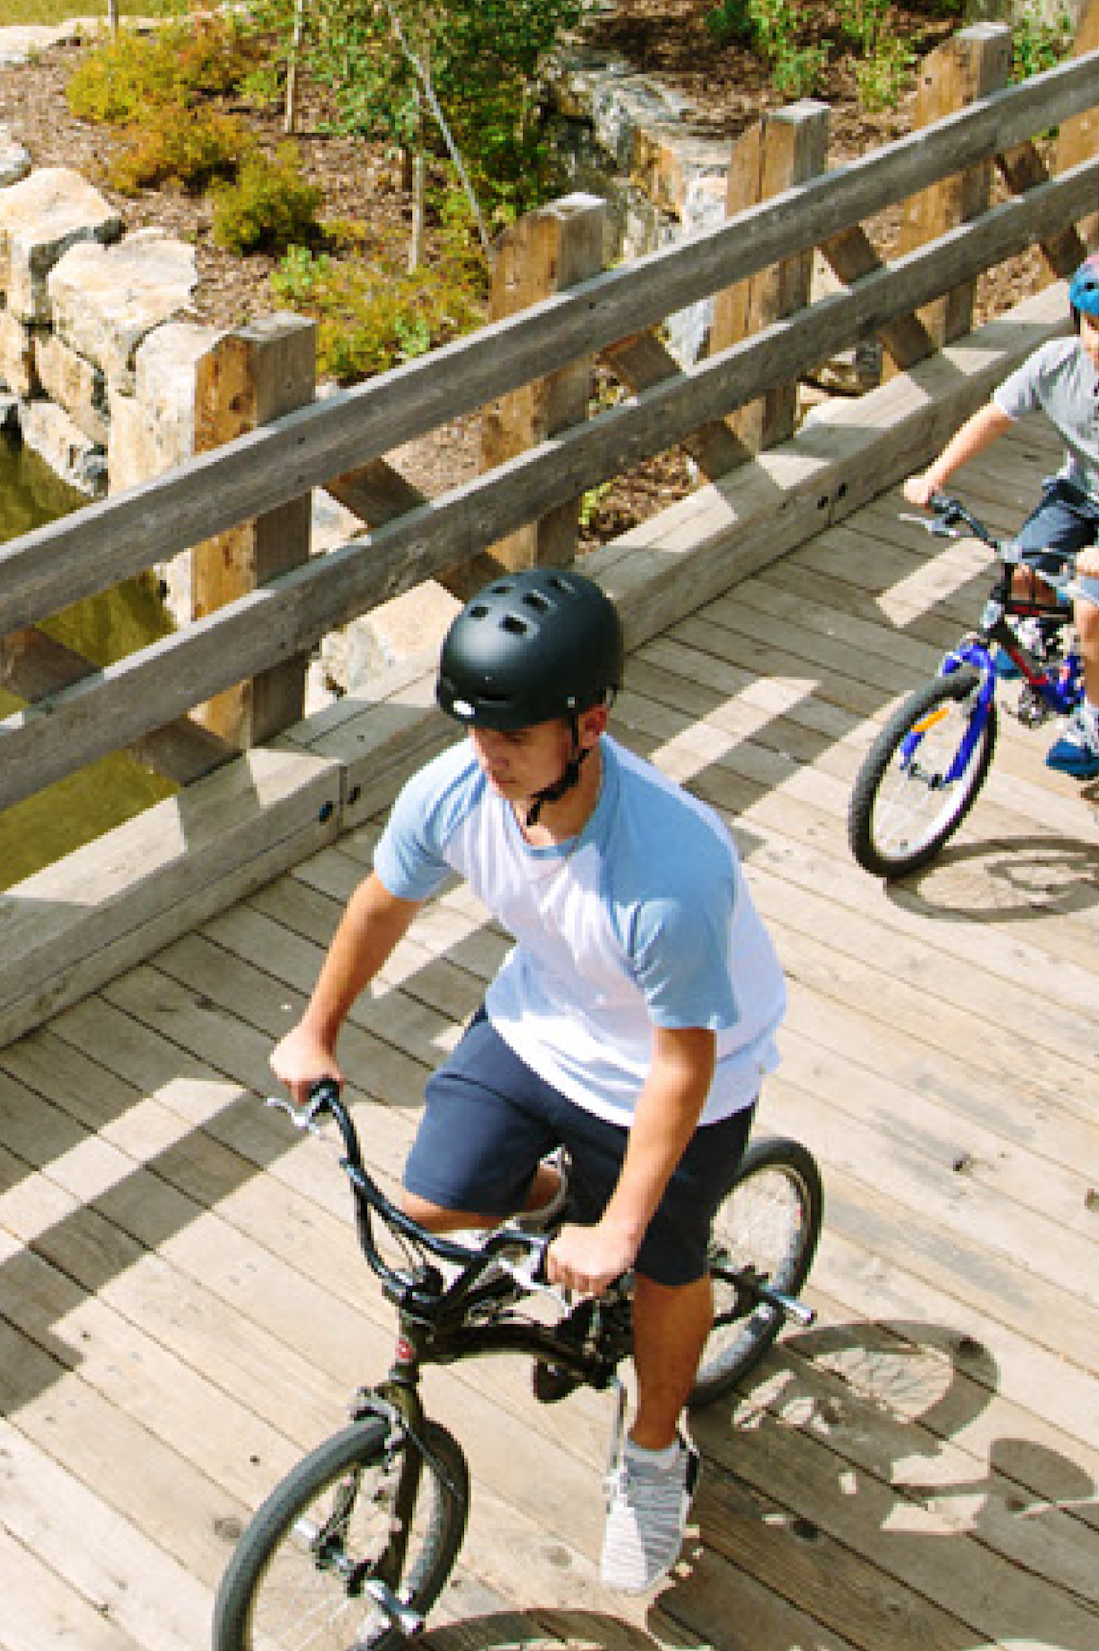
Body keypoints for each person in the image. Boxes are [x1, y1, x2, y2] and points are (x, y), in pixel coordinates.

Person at [269, 565, 788, 1596]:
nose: (487, 757)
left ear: (588, 723)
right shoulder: (460, 790)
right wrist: (314, 1030)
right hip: (544, 1022)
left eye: (511, 738)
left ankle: (650, 1449)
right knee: (430, 1199)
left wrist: (626, 1232)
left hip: (683, 1067)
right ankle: (558, 1194)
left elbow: (681, 1064)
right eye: (474, 732)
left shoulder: (668, 872)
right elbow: (381, 904)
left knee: (665, 1271)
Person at [899, 238, 1099, 778]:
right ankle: (1039, 638)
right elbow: (993, 417)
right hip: (1081, 496)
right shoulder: (1058, 362)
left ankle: (1096, 718)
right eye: (1089, 324)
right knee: (1020, 568)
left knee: (1090, 607)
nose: (1097, 342)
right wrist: (934, 477)